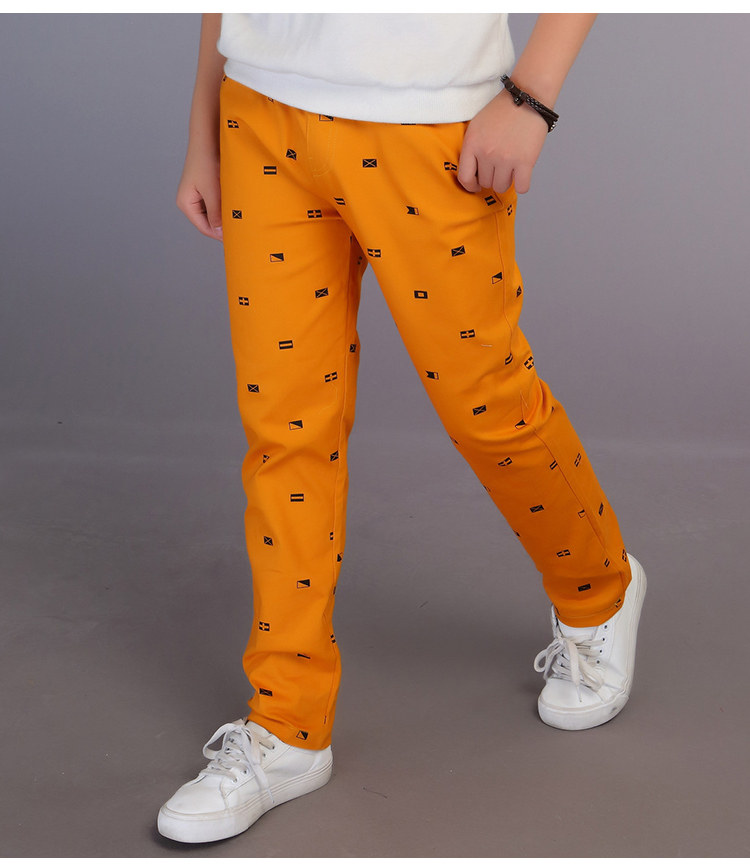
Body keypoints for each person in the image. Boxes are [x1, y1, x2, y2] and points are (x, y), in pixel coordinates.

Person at [158, 12, 647, 845]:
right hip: (261, 113)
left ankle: (600, 587)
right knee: (285, 432)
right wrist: (203, 124)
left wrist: (530, 99)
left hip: (428, 123)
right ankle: (286, 725)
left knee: (487, 406)